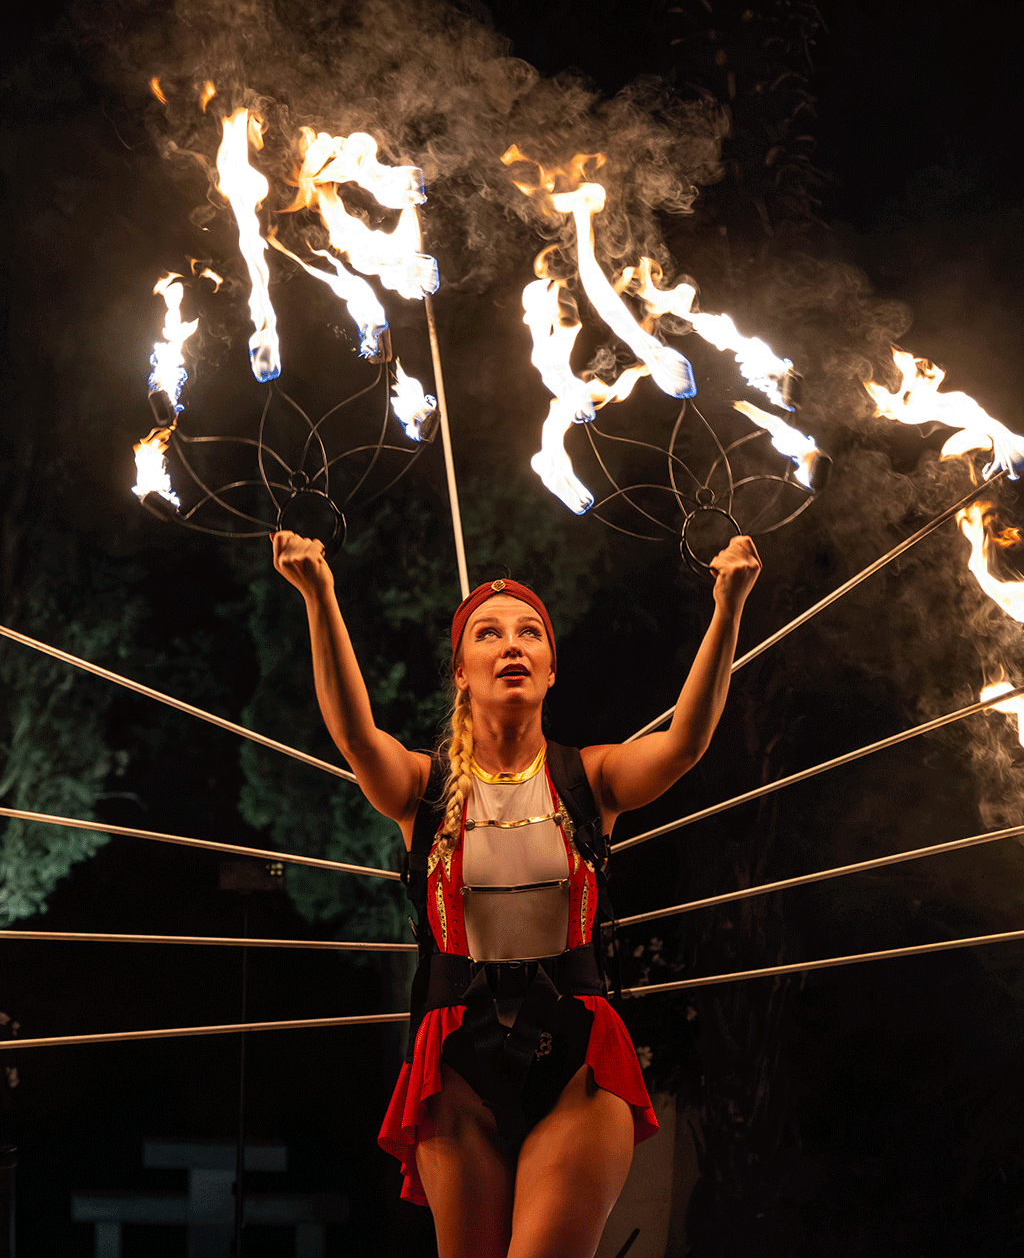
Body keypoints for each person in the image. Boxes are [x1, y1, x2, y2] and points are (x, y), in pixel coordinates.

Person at [271, 530, 762, 1258]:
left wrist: (727, 608)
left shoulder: (589, 780)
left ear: (551, 668)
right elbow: (353, 732)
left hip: (579, 1068)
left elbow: (684, 744)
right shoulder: (422, 788)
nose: (512, 644)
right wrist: (321, 596)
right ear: (460, 671)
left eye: (530, 632)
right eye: (489, 633)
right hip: (456, 1070)